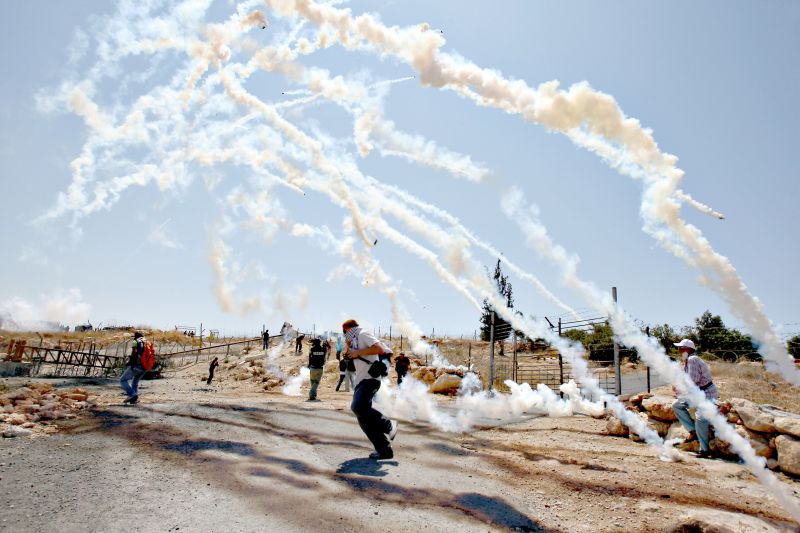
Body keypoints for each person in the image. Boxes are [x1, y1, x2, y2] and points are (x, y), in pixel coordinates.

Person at [343, 319, 397, 460]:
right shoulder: (354, 340)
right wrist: (350, 349)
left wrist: (357, 352)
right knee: (364, 420)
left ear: (349, 329)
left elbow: (379, 349)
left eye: (345, 332)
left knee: (358, 407)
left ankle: (389, 425)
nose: (345, 335)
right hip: (360, 381)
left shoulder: (362, 333)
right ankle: (384, 451)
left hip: (370, 379)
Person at [671, 339, 719, 459]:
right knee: (677, 406)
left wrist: (680, 390)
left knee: (701, 419)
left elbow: (693, 381)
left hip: (707, 395)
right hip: (697, 394)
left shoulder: (692, 360)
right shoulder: (689, 360)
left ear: (687, 349)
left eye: (681, 348)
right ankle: (693, 432)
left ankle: (705, 450)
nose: (679, 350)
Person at [120, 331, 146, 404]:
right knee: (135, 381)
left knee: (122, 380)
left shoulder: (135, 341)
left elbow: (134, 352)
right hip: (144, 367)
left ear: (135, 336)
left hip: (136, 366)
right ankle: (134, 400)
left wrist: (130, 361)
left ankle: (132, 394)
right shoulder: (146, 342)